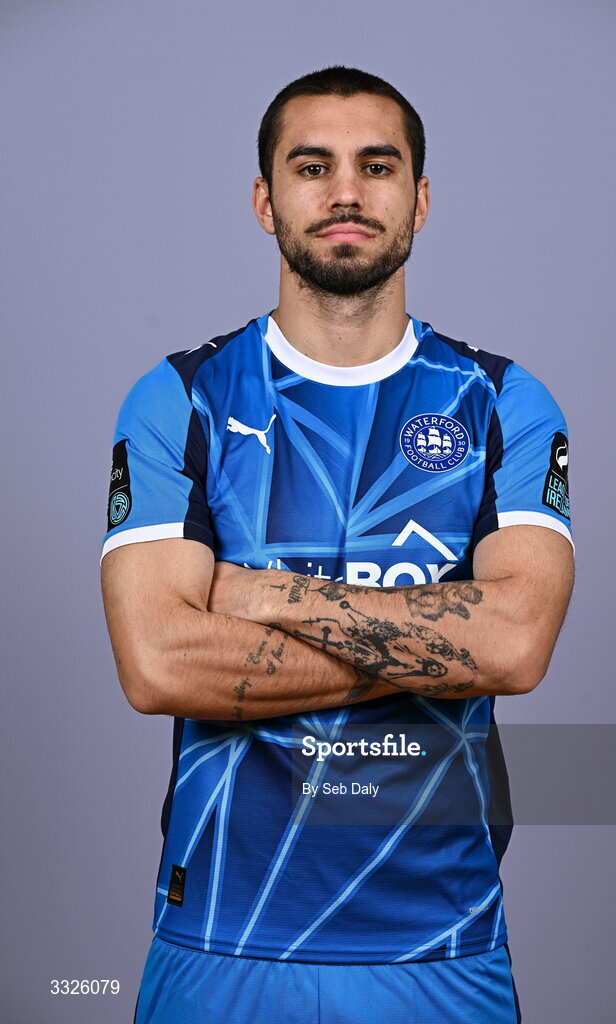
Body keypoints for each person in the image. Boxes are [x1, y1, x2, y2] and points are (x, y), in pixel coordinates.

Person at [100, 64, 574, 1024]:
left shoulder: (502, 403)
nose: (346, 192)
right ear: (264, 200)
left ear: (421, 199)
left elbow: (515, 645)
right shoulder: (179, 398)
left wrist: (259, 594)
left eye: (378, 165)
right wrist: (444, 647)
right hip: (223, 938)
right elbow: (156, 664)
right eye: (311, 166)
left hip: (438, 943)